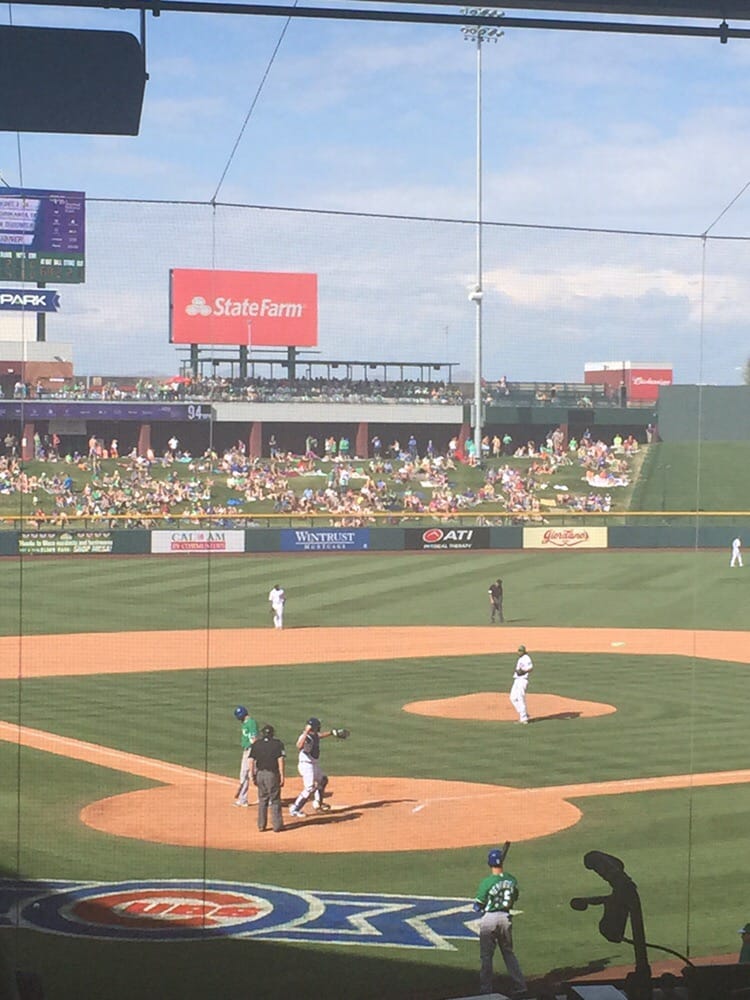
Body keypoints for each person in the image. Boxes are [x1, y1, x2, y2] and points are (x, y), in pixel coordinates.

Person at [473, 847, 526, 997]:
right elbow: (515, 897)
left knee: (486, 956)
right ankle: (520, 985)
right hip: (505, 918)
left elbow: (478, 905)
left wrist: (479, 906)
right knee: (508, 953)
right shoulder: (511, 879)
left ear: (489, 863)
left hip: (489, 920)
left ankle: (486, 988)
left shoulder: (487, 882)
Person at [289, 717, 334, 818]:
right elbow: (299, 746)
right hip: (306, 765)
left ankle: (317, 803)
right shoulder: (306, 737)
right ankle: (295, 809)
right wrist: (306, 732)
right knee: (309, 788)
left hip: (313, 764)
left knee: (323, 780)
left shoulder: (314, 735)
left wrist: (332, 732)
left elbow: (320, 736)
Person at [250, 723, 286, 833]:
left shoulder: (256, 744)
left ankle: (261, 825)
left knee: (262, 800)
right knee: (275, 800)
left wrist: (252, 775)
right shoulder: (277, 744)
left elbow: (251, 761)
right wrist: (282, 775)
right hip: (272, 774)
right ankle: (277, 826)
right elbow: (280, 760)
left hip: (260, 774)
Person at [233, 705, 258, 807]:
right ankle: (243, 799)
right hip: (247, 750)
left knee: (253, 774)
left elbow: (254, 738)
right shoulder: (245, 723)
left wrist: (254, 752)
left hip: (251, 750)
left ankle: (266, 797)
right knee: (244, 774)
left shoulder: (251, 723)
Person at [510, 645, 533, 724]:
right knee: (512, 697)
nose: (519, 652)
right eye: (518, 651)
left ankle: (524, 719)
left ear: (524, 651)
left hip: (522, 680)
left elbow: (531, 668)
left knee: (520, 698)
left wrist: (523, 671)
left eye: (520, 651)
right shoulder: (520, 658)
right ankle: (524, 714)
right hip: (517, 680)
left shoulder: (527, 658)